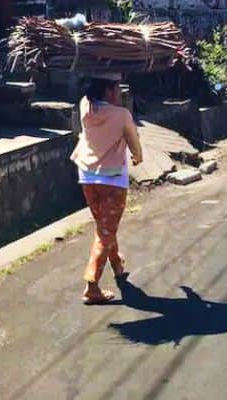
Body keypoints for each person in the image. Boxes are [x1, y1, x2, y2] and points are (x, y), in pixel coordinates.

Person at [71, 75, 143, 305]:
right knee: (105, 231)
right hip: (112, 180)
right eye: (117, 88)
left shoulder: (85, 105)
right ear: (109, 90)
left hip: (86, 176)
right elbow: (134, 141)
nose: (120, 92)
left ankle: (117, 265)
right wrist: (138, 156)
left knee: (105, 226)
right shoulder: (121, 115)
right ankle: (92, 286)